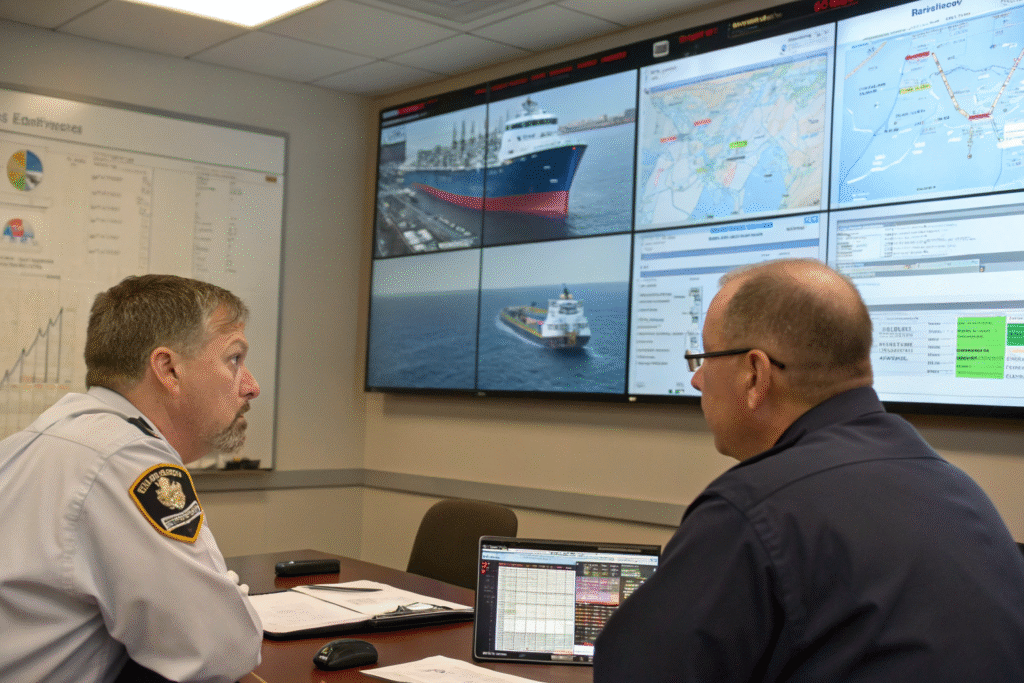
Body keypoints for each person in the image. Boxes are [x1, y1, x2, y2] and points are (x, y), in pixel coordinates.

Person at [594, 258, 1024, 682]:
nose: (697, 380)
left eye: (705, 358)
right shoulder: (960, 492)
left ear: (755, 374)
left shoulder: (752, 511)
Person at [0, 274, 263, 683]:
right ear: (169, 370)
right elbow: (221, 650)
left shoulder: (38, 440)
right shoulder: (125, 460)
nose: (251, 386)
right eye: (234, 360)